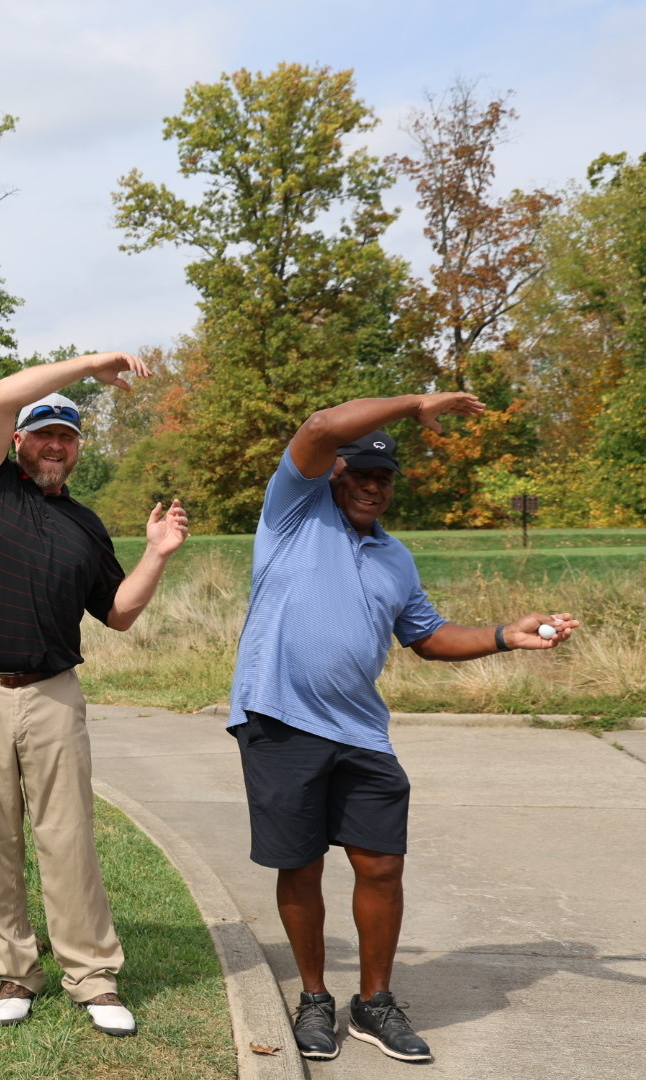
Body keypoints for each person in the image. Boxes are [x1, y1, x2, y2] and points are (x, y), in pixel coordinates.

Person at [229, 393, 578, 1065]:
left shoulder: (396, 557)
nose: (371, 486)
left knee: (382, 863)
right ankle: (314, 998)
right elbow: (320, 427)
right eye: (359, 472)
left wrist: (506, 634)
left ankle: (374, 1003)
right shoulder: (293, 513)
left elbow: (428, 635)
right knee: (300, 864)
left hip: (361, 730)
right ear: (333, 472)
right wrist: (416, 403)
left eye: (383, 478)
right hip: (280, 718)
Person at [0, 354, 189, 1037]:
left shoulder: (84, 525)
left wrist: (157, 553)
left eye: (67, 436)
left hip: (52, 694)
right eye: (44, 432)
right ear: (19, 439)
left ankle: (92, 976)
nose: (55, 445)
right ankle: (16, 970)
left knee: (68, 836)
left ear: (77, 449)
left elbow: (118, 613)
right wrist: (92, 365)